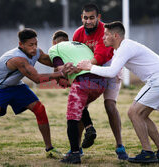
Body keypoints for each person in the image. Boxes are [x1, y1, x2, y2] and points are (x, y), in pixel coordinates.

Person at [77, 21, 159, 163]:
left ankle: (147, 152)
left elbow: (111, 72)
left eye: (106, 35)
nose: (102, 37)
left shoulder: (125, 47)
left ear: (115, 36)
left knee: (133, 113)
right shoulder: (121, 49)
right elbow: (113, 70)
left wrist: (89, 66)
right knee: (142, 116)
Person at [0, 28, 67, 161]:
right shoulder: (17, 59)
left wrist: (66, 63)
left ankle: (50, 149)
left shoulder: (36, 52)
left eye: (36, 44)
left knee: (40, 109)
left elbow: (52, 62)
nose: (34, 48)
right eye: (31, 45)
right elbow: (37, 78)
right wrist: (59, 74)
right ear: (21, 45)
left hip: (15, 85)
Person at [72, 3, 128, 160]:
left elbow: (101, 57)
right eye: (85, 18)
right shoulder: (78, 34)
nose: (88, 21)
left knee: (110, 105)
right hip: (90, 69)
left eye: (92, 18)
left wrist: (83, 67)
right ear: (81, 18)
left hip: (110, 67)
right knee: (81, 106)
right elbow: (74, 55)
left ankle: (120, 146)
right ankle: (77, 148)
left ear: (98, 17)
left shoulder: (106, 32)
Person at [49, 30, 106, 164]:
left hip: (82, 81)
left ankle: (74, 153)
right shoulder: (81, 45)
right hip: (101, 82)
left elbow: (61, 68)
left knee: (72, 116)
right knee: (81, 106)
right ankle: (89, 128)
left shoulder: (54, 48)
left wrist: (59, 75)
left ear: (54, 42)